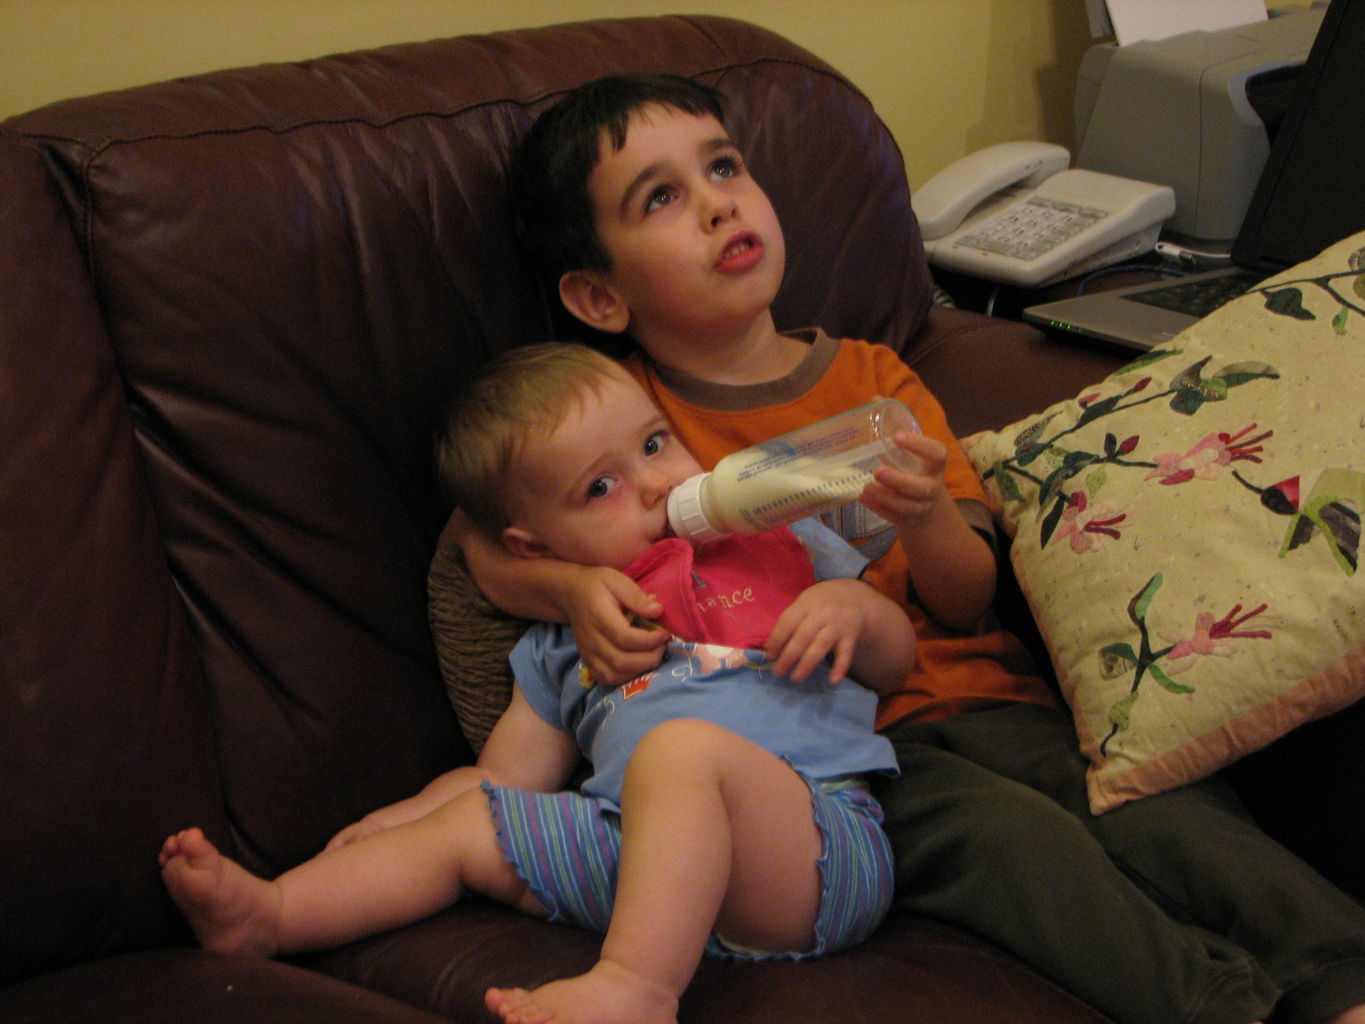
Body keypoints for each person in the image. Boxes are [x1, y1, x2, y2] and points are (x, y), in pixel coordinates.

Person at [452, 72, 1365, 1024]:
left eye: (723, 166)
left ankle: (1342, 978)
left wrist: (924, 513)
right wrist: (570, 590)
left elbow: (967, 599)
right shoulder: (616, 421)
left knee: (1173, 819)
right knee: (1021, 852)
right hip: (851, 753)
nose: (718, 201)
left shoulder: (872, 381)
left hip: (994, 700)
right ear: (599, 295)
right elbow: (480, 549)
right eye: (663, 197)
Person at [160, 342, 915, 1024]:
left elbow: (894, 662)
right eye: (600, 489)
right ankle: (272, 914)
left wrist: (852, 609)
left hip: (808, 854)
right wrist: (401, 823)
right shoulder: (560, 644)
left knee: (680, 753)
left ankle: (633, 987)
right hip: (630, 860)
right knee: (468, 826)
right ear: (535, 545)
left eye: (655, 443)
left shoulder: (774, 544)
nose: (654, 485)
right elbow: (505, 777)